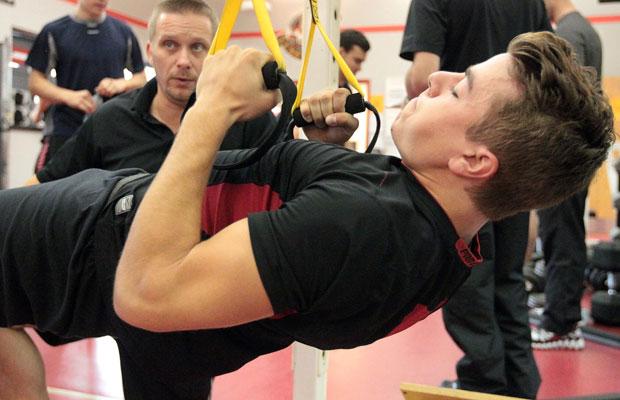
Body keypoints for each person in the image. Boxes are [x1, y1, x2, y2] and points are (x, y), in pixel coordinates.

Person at [0, 32, 614, 399]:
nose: (439, 77)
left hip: (93, 238)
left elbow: (146, 293)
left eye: (459, 90)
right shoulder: (442, 240)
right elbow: (320, 264)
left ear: (475, 160)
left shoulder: (362, 224)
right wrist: (326, 154)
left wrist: (211, 109)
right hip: (139, 277)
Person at [400, 1, 552, 397]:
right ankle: (520, 385)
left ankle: (485, 386)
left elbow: (422, 76)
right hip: (515, 156)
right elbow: (543, 82)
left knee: (469, 283)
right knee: (508, 282)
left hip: (463, 162)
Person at [24, 0, 275, 185]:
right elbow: (39, 188)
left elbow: (300, 182)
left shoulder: (247, 118)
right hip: (69, 129)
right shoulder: (109, 121)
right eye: (169, 45)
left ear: (214, 54)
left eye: (197, 47)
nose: (183, 61)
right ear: (150, 52)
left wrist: (314, 133)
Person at [530, 0, 603, 351]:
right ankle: (562, 313)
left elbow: (562, 98)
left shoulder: (571, 34)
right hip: (576, 152)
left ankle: (560, 324)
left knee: (560, 236)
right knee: (564, 234)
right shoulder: (586, 30)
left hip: (565, 154)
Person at [26, 0, 146, 172]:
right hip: (66, 131)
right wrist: (69, 96)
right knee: (55, 192)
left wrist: (120, 84)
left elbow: (141, 79)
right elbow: (35, 82)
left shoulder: (123, 32)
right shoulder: (54, 31)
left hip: (112, 131)